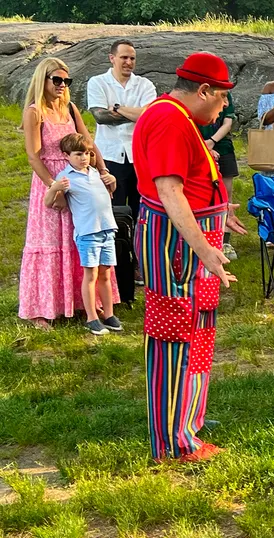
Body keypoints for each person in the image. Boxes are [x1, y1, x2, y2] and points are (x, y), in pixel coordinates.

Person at [132, 52, 247, 462]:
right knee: (175, 335)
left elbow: (191, 181)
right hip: (176, 245)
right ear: (203, 90)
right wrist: (206, 250)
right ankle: (172, 441)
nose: (223, 106)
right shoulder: (169, 119)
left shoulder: (179, 116)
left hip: (192, 241)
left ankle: (187, 419)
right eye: (222, 97)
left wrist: (220, 211)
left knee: (197, 333)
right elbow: (169, 191)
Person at [20, 57, 118, 330]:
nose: (62, 85)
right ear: (43, 80)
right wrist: (55, 187)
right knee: (50, 242)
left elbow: (88, 143)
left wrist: (103, 170)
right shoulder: (34, 112)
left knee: (82, 240)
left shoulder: (71, 109)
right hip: (51, 180)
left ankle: (82, 302)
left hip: (80, 183)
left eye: (66, 81)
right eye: (57, 80)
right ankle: (42, 309)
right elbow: (33, 156)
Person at [46, 133, 122, 336]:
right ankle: (91, 318)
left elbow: (110, 192)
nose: (84, 158)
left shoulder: (95, 172)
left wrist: (113, 181)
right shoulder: (66, 177)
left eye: (87, 153)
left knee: (106, 274)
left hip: (107, 230)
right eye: (78, 154)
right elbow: (48, 202)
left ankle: (109, 314)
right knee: (91, 275)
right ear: (66, 156)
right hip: (88, 233)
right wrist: (54, 188)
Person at [86, 39, 157, 219]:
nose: (129, 62)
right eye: (124, 57)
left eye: (132, 58)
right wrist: (137, 114)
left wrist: (117, 108)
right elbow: (101, 117)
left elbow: (150, 116)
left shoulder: (145, 85)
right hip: (109, 155)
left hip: (139, 155)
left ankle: (137, 238)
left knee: (140, 208)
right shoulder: (97, 82)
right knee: (111, 209)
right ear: (112, 58)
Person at [198, 91, 239, 260]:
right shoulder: (195, 93)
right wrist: (203, 147)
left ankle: (225, 241)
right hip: (197, 145)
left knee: (226, 195)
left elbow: (227, 123)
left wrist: (212, 142)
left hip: (222, 146)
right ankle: (202, 238)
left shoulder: (225, 94)